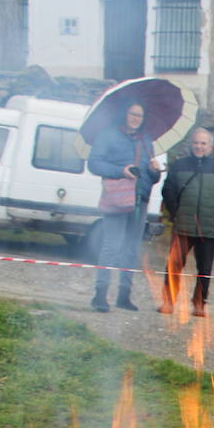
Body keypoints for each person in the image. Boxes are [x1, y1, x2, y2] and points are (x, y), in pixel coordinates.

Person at [87, 100, 163, 313]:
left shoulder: (146, 140)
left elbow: (151, 177)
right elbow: (94, 163)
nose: (136, 119)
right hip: (118, 200)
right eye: (132, 114)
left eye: (139, 115)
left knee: (132, 249)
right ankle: (100, 296)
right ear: (124, 114)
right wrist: (122, 170)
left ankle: (124, 296)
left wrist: (154, 171)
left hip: (140, 200)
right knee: (112, 246)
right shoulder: (108, 135)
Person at [160, 128, 214, 318]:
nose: (199, 147)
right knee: (174, 265)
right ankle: (169, 301)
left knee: (205, 268)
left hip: (208, 228)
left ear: (211, 146)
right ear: (190, 145)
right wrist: (176, 212)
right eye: (196, 143)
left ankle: (199, 304)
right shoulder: (178, 166)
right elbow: (167, 191)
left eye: (203, 143)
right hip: (183, 225)